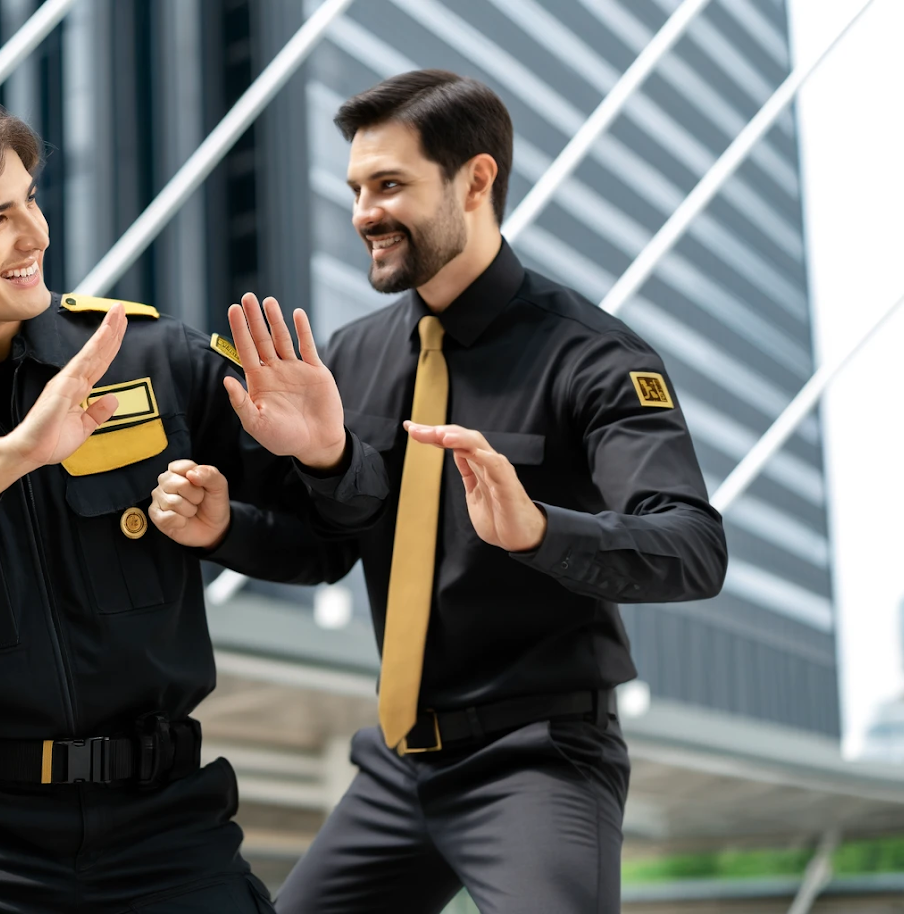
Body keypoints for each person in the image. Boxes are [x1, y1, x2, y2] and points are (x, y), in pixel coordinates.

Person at [0, 94, 386, 914]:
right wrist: (4, 461)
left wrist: (319, 459)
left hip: (169, 836)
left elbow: (331, 543)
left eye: (31, 202)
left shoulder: (157, 361)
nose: (36, 236)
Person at [148, 70, 728, 913]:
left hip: (538, 758)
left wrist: (538, 529)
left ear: (477, 179)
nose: (363, 214)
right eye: (355, 188)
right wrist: (221, 527)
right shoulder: (350, 358)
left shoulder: (596, 359)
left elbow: (693, 549)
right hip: (395, 763)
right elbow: (323, 552)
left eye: (390, 186)